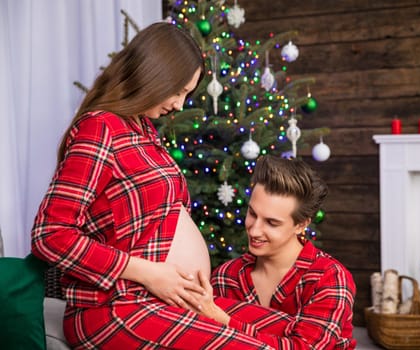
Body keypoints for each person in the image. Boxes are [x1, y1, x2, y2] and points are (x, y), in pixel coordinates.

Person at [31, 22, 276, 349]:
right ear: (152, 74)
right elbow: (50, 235)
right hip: (114, 307)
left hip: (161, 299)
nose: (180, 104)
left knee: (280, 331)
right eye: (178, 91)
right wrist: (148, 273)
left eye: (187, 94)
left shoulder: (144, 129)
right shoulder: (100, 128)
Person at [188, 155, 357, 349]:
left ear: (301, 224)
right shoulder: (226, 277)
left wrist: (225, 321)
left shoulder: (330, 279)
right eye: (252, 213)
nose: (254, 230)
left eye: (271, 222)